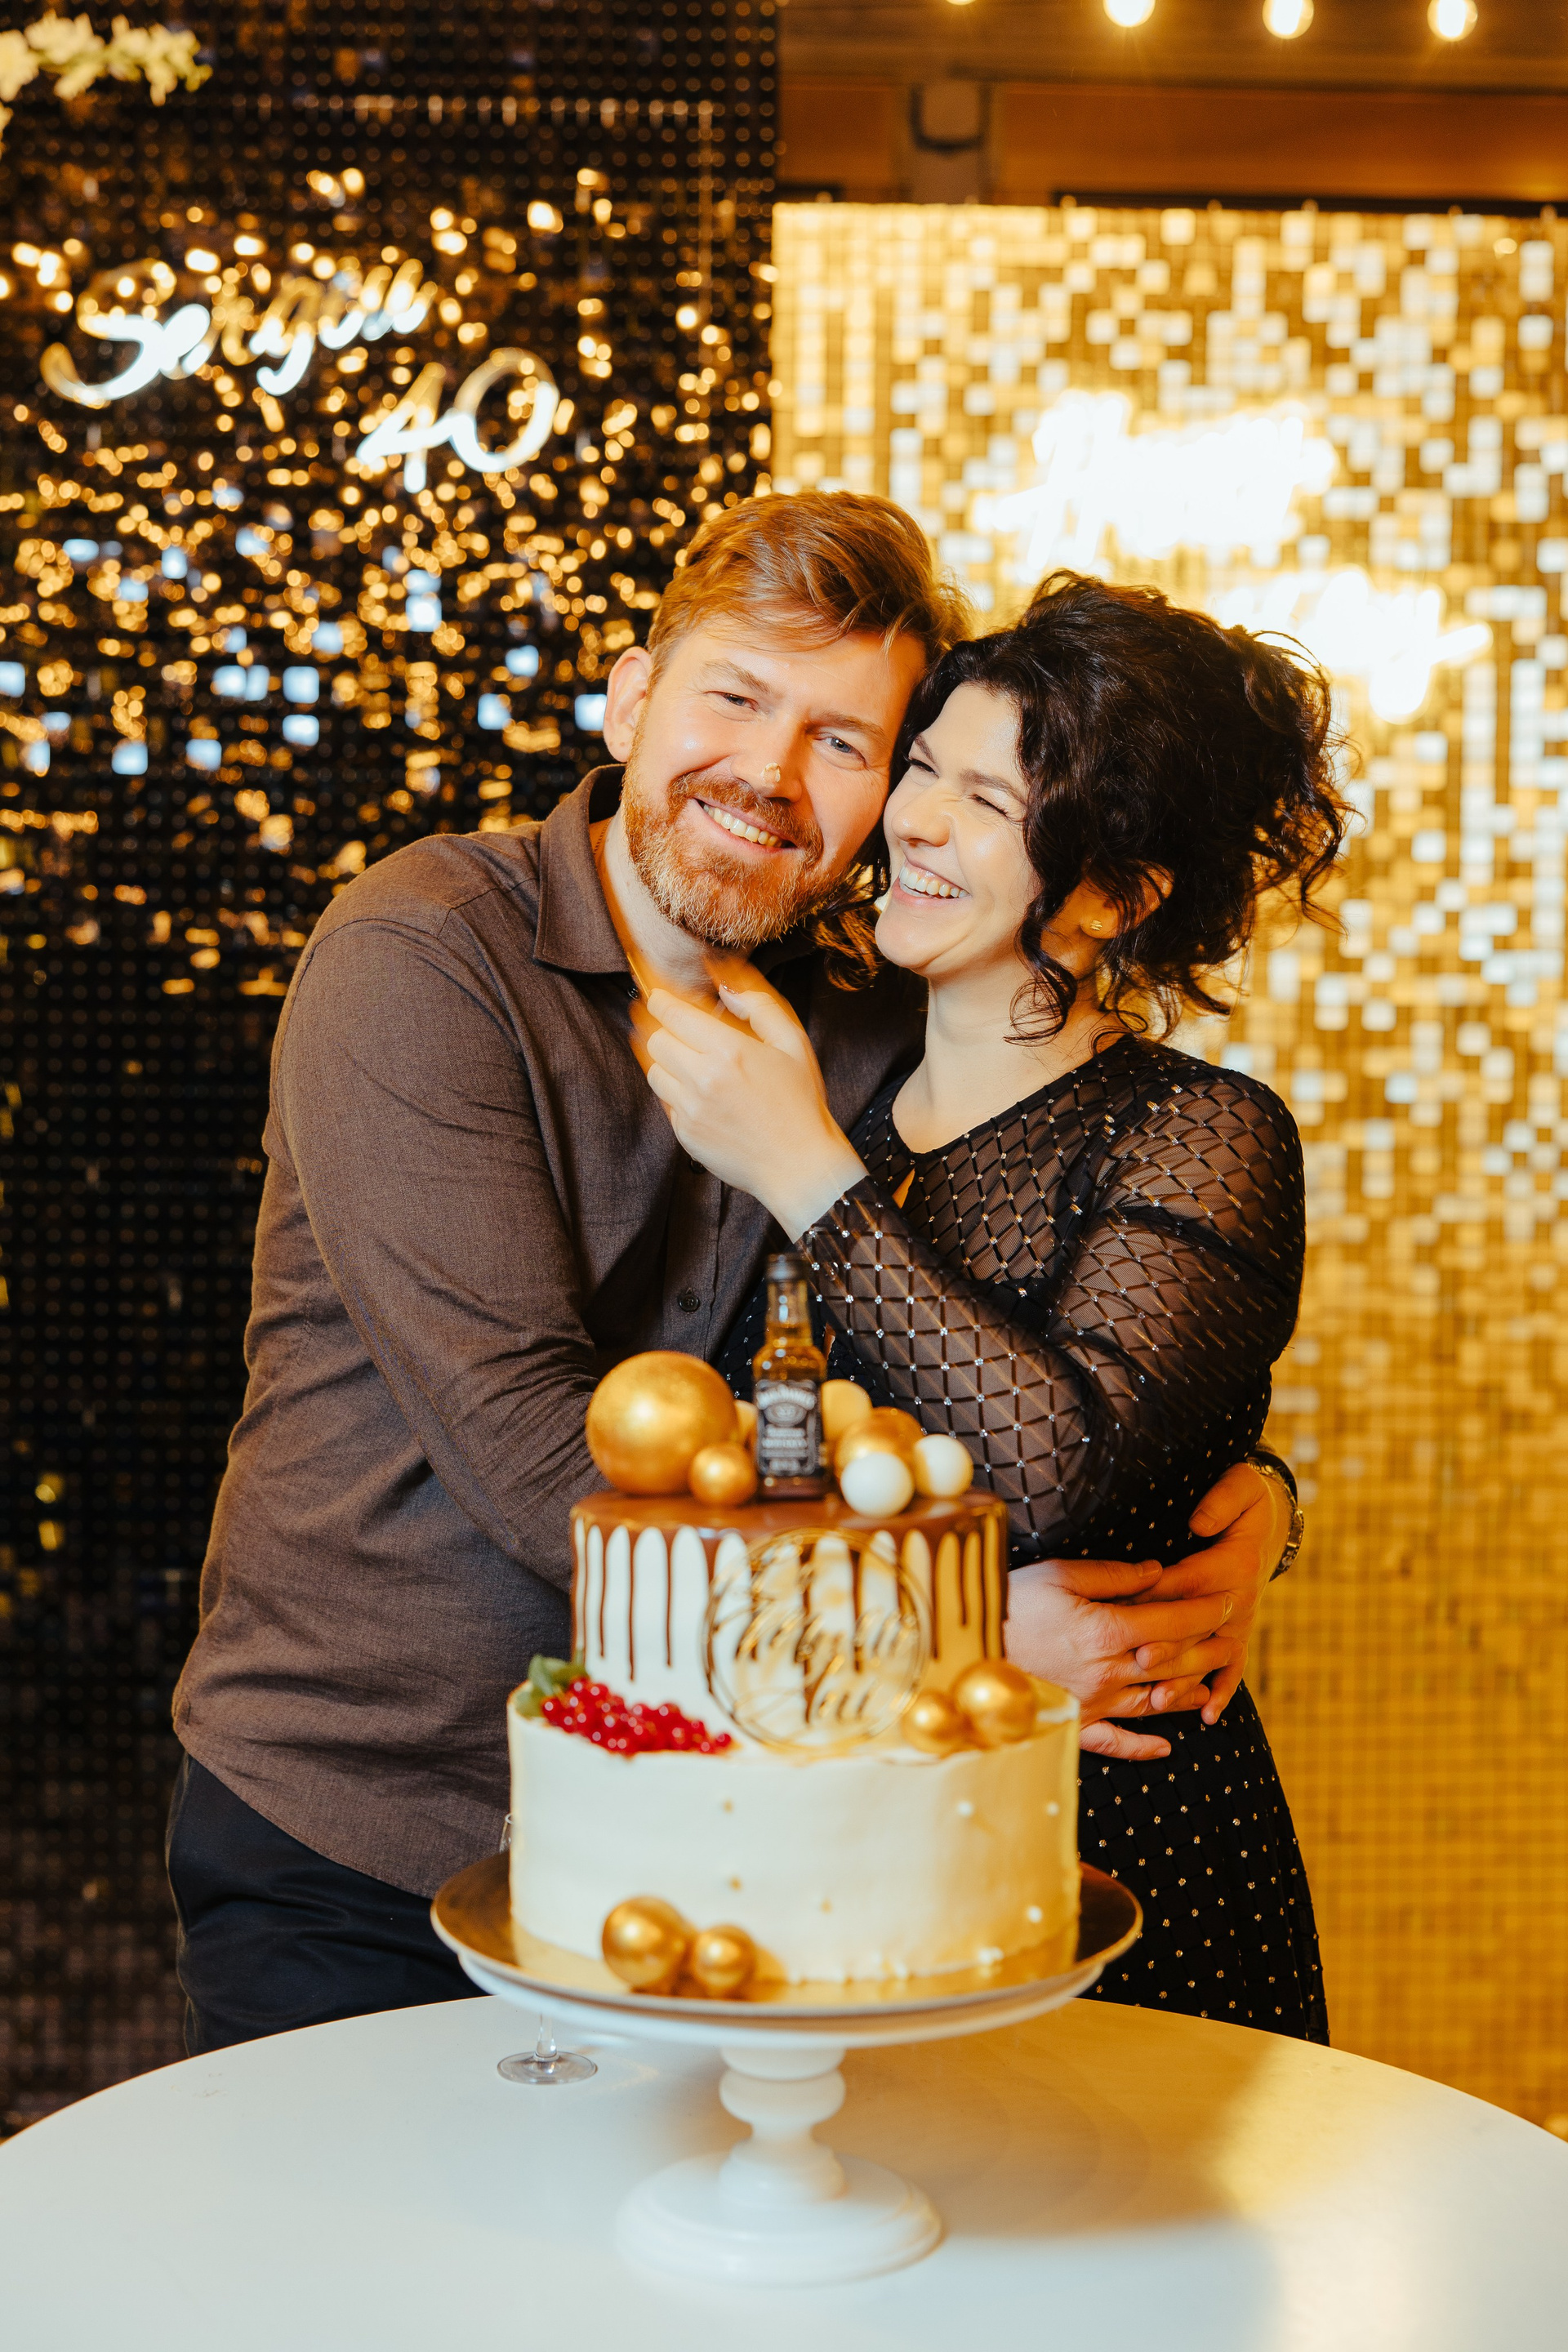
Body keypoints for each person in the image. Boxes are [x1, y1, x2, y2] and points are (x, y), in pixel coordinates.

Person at [167, 501, 1295, 2049]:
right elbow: (532, 1449)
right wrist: (951, 1631)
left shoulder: (871, 1018)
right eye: (736, 697)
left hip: (734, 1824)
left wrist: (1245, 1504)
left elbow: (1039, 1345)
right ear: (632, 700)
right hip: (370, 1831)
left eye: (846, 743)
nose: (771, 775)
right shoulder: (424, 956)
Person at [643, 571, 1343, 2039]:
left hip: (1119, 1851)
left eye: (988, 802)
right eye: (922, 770)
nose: (914, 822)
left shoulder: (1197, 1131)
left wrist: (810, 1181)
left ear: (1116, 896)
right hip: (845, 1825)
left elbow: (1065, 1467)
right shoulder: (835, 1087)